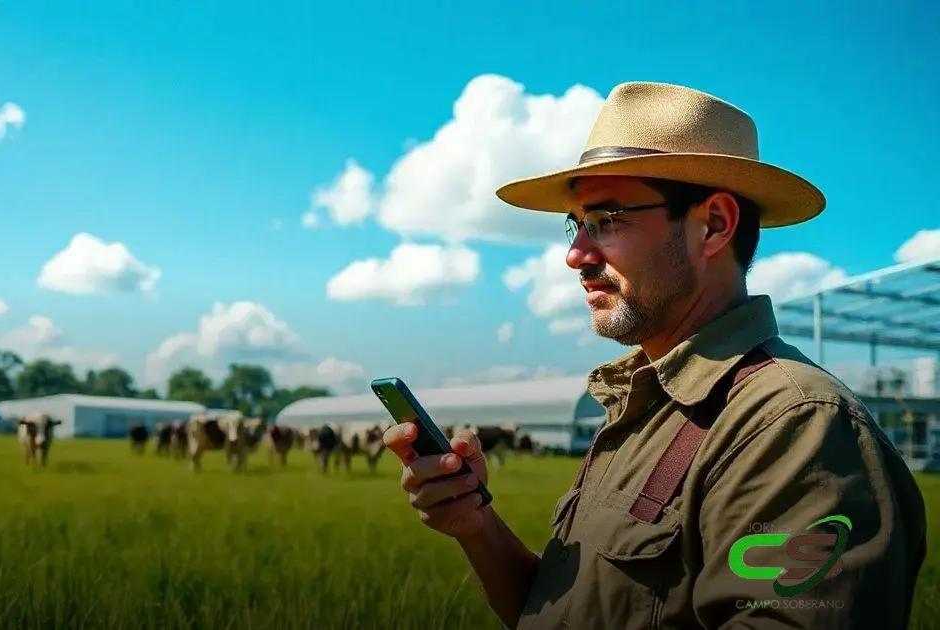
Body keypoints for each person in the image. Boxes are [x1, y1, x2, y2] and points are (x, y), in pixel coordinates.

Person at [383, 81, 927, 629]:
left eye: (607, 220)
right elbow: (568, 613)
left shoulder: (798, 428)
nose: (575, 254)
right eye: (576, 225)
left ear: (714, 225)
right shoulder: (645, 406)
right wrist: (475, 524)